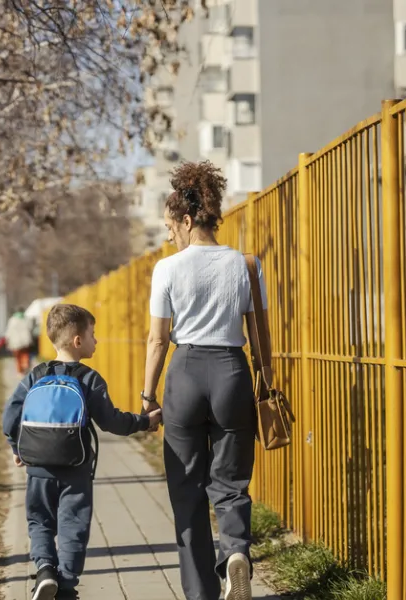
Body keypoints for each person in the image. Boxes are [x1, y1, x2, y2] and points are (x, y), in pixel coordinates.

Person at [139, 161, 266, 600]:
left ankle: (200, 592)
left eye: (171, 226)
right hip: (232, 371)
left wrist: (146, 395)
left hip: (186, 373)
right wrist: (264, 382)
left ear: (188, 221)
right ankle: (235, 554)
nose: (169, 235)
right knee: (231, 482)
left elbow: (157, 341)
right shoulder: (246, 265)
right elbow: (259, 335)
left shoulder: (168, 269)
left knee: (187, 489)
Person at [2, 304, 163, 600]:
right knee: (73, 526)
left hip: (38, 468)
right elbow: (111, 421)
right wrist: (144, 422)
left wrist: (17, 448)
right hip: (76, 468)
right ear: (78, 341)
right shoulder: (89, 379)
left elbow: (10, 416)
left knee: (40, 521)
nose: (96, 341)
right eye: (92, 334)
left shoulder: (36, 375)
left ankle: (45, 570)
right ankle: (66, 586)